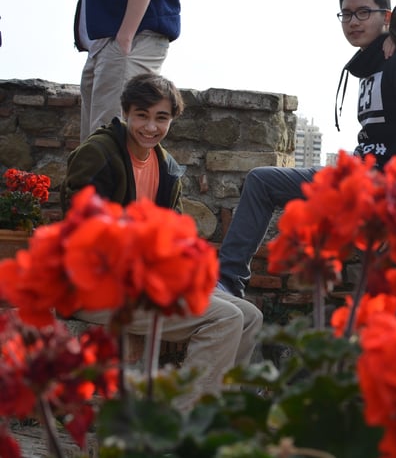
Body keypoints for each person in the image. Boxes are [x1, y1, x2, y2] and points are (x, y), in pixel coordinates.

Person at [216, 0, 396, 298]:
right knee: (261, 182)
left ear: (386, 17)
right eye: (346, 14)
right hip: (354, 176)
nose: (352, 22)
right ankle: (226, 282)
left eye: (363, 12)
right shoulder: (371, 64)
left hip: (380, 188)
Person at [62, 73, 263, 409]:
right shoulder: (98, 153)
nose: (151, 127)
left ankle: (213, 412)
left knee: (250, 315)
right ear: (126, 112)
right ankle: (181, 426)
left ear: (172, 119)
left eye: (161, 118)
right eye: (142, 115)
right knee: (225, 318)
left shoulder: (166, 167)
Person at [74, 0, 181, 142]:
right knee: (94, 148)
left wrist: (125, 37)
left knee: (108, 146)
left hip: (128, 40)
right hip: (105, 42)